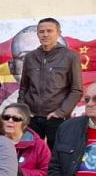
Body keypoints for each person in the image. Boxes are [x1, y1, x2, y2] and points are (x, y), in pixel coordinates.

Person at [17, 17, 83, 149]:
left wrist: (60, 112)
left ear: (58, 33)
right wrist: (24, 109)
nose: (45, 34)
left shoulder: (70, 57)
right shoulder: (30, 57)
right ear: (37, 34)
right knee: (31, 155)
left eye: (49, 31)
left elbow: (76, 90)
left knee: (57, 156)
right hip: (32, 118)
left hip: (57, 118)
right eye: (41, 31)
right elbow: (24, 86)